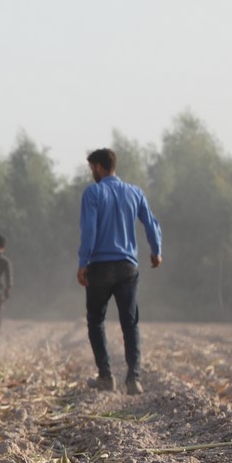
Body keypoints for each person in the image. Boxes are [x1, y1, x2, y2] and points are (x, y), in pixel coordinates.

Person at [78, 148, 163, 394]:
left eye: (92, 167)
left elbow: (89, 231)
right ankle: (133, 378)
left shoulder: (93, 193)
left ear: (99, 167)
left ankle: (106, 376)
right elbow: (151, 222)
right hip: (127, 266)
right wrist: (156, 251)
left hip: (100, 266)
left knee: (96, 321)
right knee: (130, 322)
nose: (92, 172)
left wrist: (83, 262)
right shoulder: (135, 192)